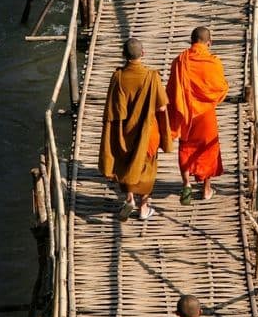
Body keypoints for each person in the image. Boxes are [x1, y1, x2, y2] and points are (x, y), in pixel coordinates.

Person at [98, 37, 172, 221]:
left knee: (127, 164)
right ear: (143, 53)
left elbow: (112, 109)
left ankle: (129, 198)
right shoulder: (151, 76)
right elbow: (162, 107)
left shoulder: (118, 77)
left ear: (124, 55)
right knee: (147, 169)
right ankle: (144, 208)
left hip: (125, 132)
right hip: (147, 131)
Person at [166, 26, 230, 205]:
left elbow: (171, 90)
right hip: (206, 115)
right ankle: (206, 189)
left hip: (185, 112)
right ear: (209, 43)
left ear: (191, 41)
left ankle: (186, 183)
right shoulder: (214, 62)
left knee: (185, 148)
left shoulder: (179, 61)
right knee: (208, 150)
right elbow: (220, 88)